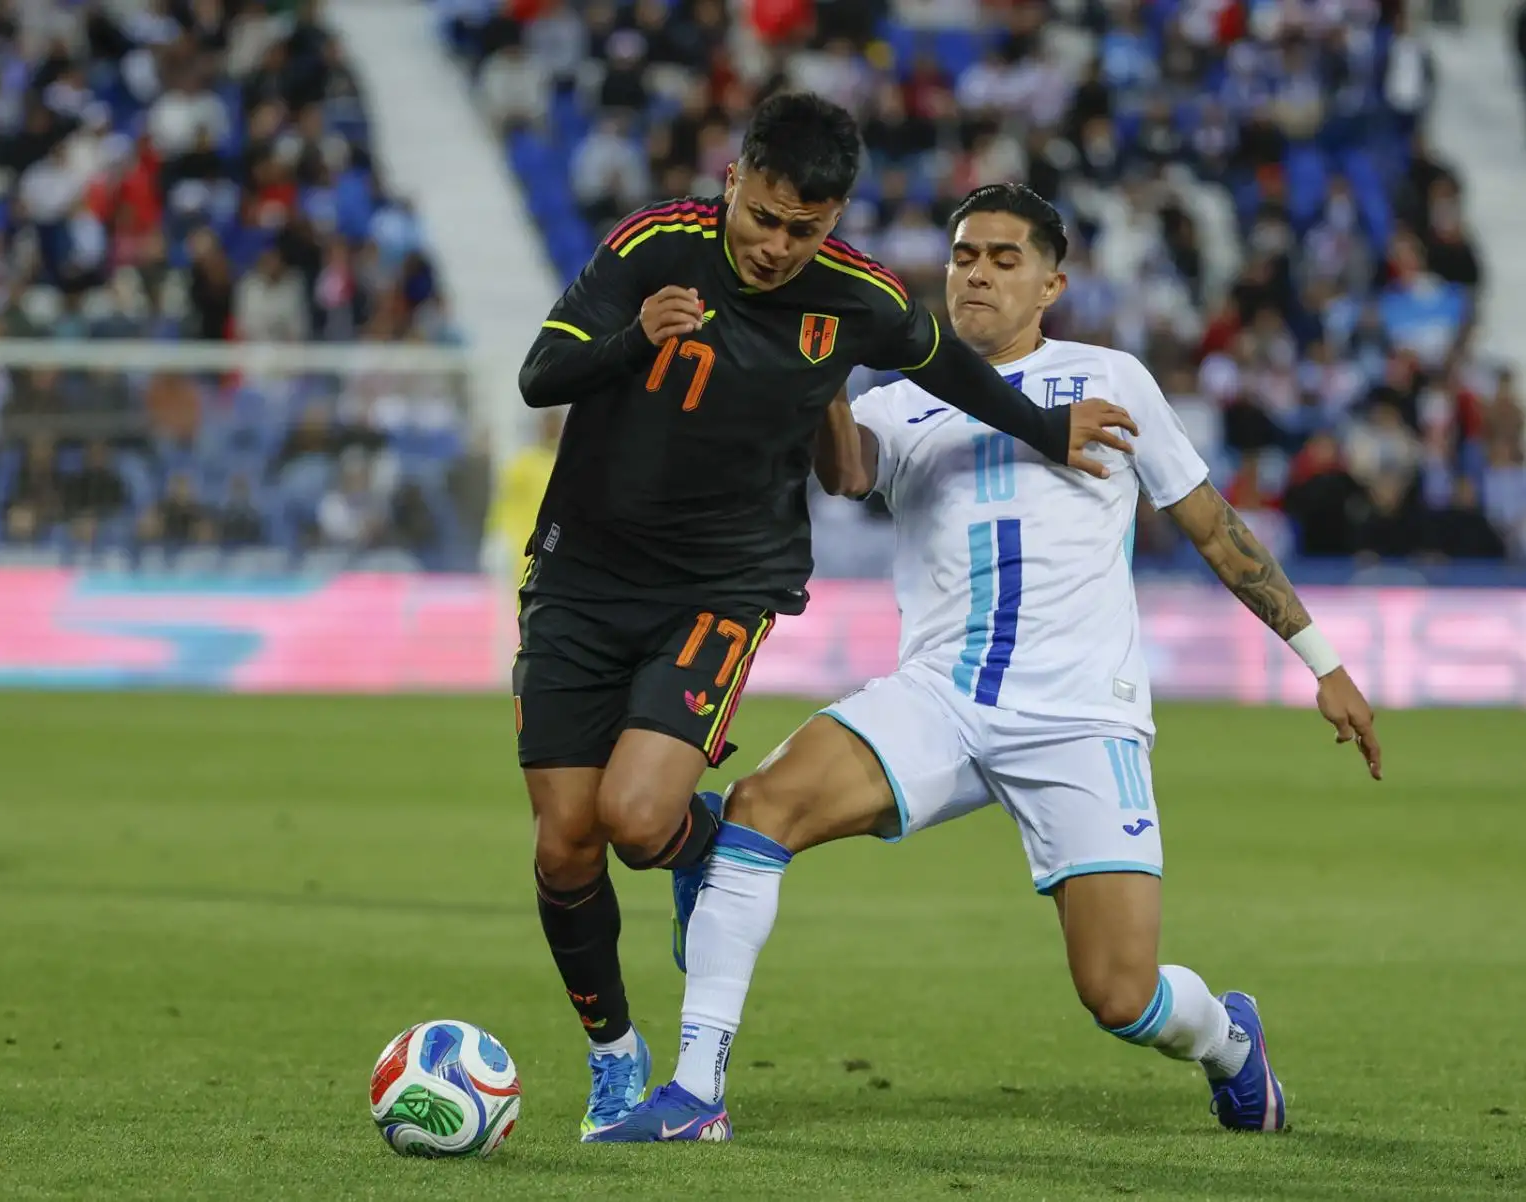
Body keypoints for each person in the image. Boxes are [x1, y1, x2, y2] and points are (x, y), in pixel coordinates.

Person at [589, 183, 1382, 1143]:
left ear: (1052, 280)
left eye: (1005, 258)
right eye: (965, 255)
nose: (978, 273)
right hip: (939, 699)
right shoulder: (904, 395)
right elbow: (845, 473)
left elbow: (1212, 529)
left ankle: (1229, 1044)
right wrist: (819, 373)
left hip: (1082, 717)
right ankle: (697, 1092)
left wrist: (1321, 658)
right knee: (758, 811)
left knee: (1120, 994)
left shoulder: (1111, 379)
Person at [514, 95, 1139, 1140]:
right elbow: (542, 372)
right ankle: (615, 1056)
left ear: (835, 215)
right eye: (762, 218)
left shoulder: (854, 294)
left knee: (632, 818)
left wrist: (1044, 425)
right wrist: (633, 338)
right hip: (584, 574)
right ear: (735, 181)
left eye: (803, 228)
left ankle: (690, 840)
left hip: (723, 581)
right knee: (565, 847)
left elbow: (946, 363)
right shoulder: (653, 247)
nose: (774, 247)